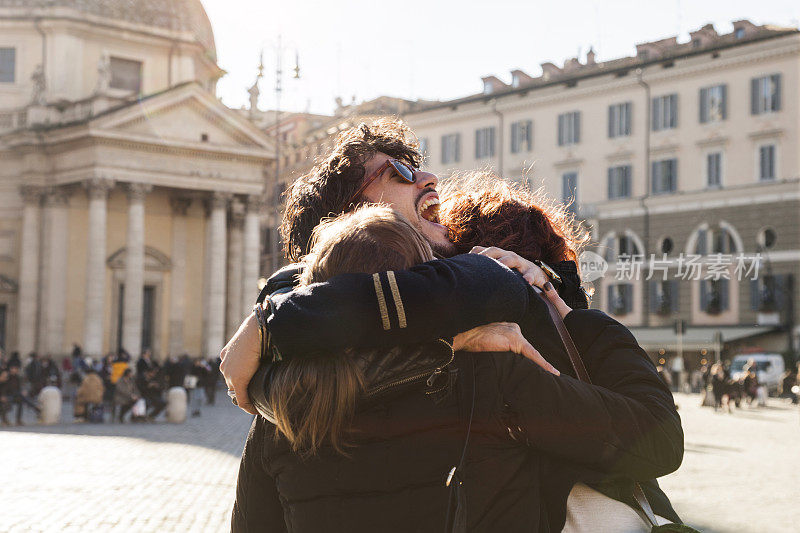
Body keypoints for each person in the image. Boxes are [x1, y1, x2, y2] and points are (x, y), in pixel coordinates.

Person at [232, 205, 681, 532]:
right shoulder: (491, 378)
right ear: (432, 291)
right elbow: (656, 440)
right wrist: (575, 317)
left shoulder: (278, 412)